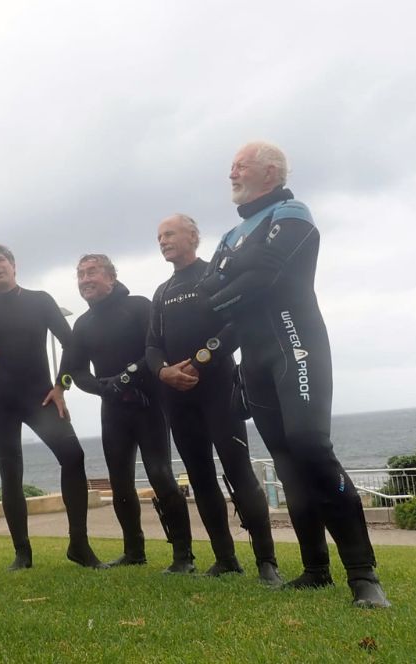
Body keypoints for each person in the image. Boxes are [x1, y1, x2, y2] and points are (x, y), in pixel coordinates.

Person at [197, 140, 390, 608]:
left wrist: (230, 278)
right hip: (256, 359)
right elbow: (209, 291)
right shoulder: (230, 236)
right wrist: (234, 277)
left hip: (295, 345)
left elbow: (267, 276)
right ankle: (315, 569)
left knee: (310, 447)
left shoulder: (293, 213)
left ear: (270, 172)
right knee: (285, 461)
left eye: (239, 166)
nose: (231, 174)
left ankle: (364, 577)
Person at [0, 244, 106, 571]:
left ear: (13, 265)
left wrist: (61, 385)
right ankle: (22, 554)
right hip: (0, 402)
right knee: (11, 475)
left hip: (41, 397)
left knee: (73, 457)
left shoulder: (40, 301)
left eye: (0, 261)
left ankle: (79, 545)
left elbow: (71, 342)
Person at [145, 215, 282, 582]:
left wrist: (202, 359)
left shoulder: (216, 278)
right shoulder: (162, 292)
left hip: (218, 388)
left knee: (238, 471)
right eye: (159, 237)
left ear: (193, 236)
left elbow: (236, 325)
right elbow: (152, 345)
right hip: (178, 396)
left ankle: (267, 562)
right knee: (201, 478)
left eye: (170, 233)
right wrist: (163, 372)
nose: (163, 241)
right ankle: (225, 558)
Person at [62, 254, 194, 573]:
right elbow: (77, 372)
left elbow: (154, 350)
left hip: (149, 404)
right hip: (114, 409)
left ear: (110, 276)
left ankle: (183, 556)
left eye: (91, 272)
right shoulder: (83, 324)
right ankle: (134, 551)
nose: (84, 279)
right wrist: (103, 387)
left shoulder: (137, 306)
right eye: (80, 274)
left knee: (160, 474)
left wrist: (130, 380)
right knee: (119, 483)